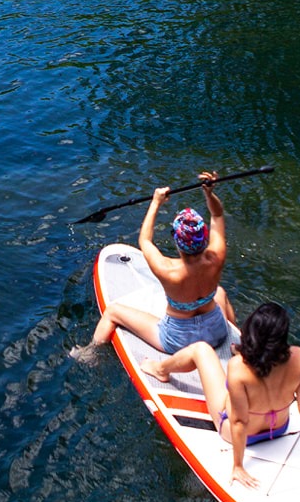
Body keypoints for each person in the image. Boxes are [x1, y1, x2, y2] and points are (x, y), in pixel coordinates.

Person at [76, 172, 236, 422]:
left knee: (114, 311)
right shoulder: (217, 256)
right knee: (221, 293)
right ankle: (236, 340)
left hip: (177, 340)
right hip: (216, 330)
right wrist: (209, 192)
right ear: (205, 238)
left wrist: (156, 202)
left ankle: (90, 353)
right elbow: (217, 214)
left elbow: (145, 240)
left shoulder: (167, 269)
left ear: (177, 241)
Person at [219, 303, 300, 490]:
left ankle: (161, 369)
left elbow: (239, 422)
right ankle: (241, 350)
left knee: (201, 352)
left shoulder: (237, 366)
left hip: (243, 435)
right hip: (278, 428)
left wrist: (238, 466)